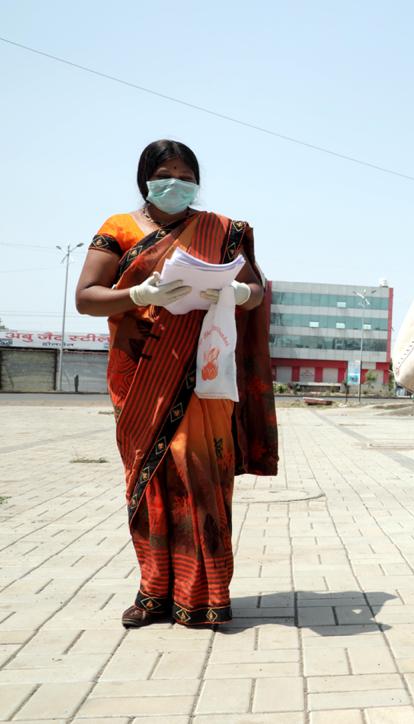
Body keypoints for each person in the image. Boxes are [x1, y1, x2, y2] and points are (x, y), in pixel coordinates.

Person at [75, 139, 277, 628]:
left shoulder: (222, 231)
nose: (178, 184)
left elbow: (257, 293)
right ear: (146, 177)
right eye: (167, 174)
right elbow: (86, 297)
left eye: (187, 176)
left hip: (202, 377)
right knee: (148, 485)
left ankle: (205, 596)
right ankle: (152, 593)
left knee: (203, 480)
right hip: (141, 374)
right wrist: (139, 293)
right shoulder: (117, 229)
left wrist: (238, 289)